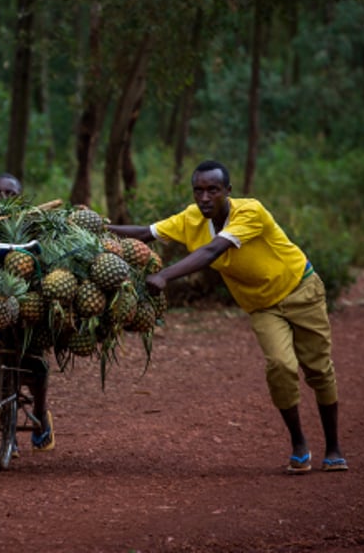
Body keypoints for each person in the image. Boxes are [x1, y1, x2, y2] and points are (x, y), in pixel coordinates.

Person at [108, 160, 346, 474]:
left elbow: (211, 252)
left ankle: (333, 446)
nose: (205, 198)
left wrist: (165, 276)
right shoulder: (191, 219)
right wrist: (100, 228)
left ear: (228, 192)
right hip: (261, 305)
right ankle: (299, 443)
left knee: (318, 369)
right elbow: (145, 233)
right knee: (280, 366)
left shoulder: (250, 212)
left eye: (213, 190)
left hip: (301, 291)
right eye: (198, 190)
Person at [0, 173, 54, 452]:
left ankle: (40, 412)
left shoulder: (32, 223)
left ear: (21, 199)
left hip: (25, 303)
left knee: (34, 364)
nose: (4, 199)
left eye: (10, 194)